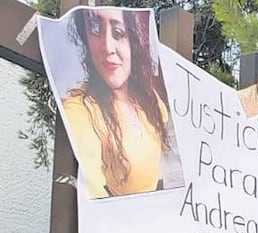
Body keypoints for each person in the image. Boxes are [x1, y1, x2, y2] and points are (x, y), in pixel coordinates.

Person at [61, 7, 178, 198]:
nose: (108, 47)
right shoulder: (80, 109)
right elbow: (91, 187)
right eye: (95, 29)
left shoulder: (149, 98)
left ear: (134, 41)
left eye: (118, 33)